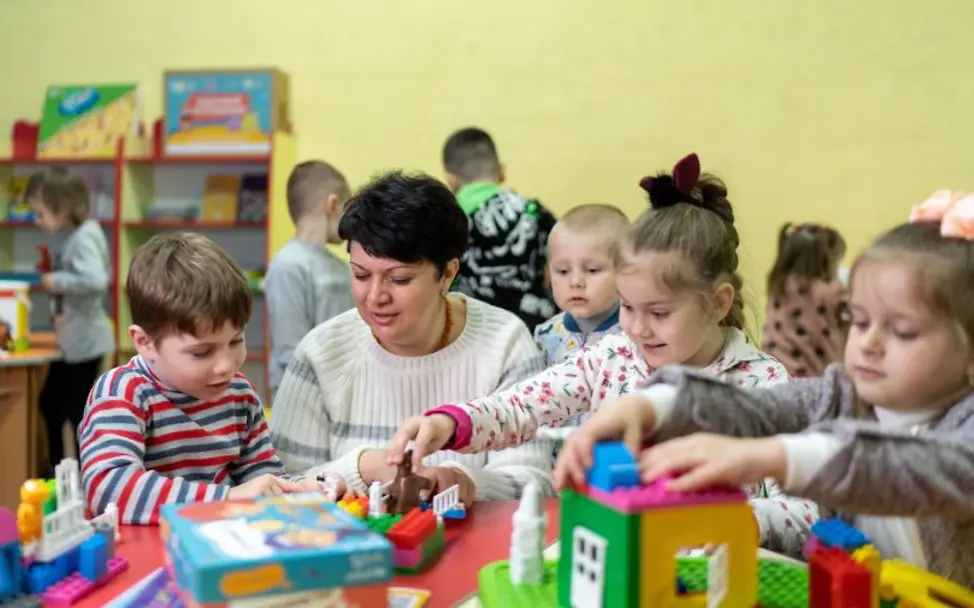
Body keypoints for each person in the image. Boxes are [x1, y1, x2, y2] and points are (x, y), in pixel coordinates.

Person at [389, 154, 818, 555]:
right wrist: (449, 423)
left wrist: (722, 521)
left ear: (719, 302)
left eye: (660, 312)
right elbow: (519, 406)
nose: (637, 327)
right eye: (627, 307)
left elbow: (806, 512)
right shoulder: (612, 357)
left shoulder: (764, 386)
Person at [555, 190, 974, 587]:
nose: (868, 343)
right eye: (859, 321)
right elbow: (753, 408)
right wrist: (651, 406)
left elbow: (903, 466)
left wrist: (770, 456)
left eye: (901, 331)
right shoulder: (847, 396)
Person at [269, 171, 554, 507]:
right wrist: (362, 468)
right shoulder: (321, 354)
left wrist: (464, 483)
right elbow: (281, 487)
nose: (375, 296)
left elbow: (536, 483)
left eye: (399, 279)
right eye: (360, 275)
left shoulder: (505, 344)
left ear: (447, 273)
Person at [78, 233, 319, 524]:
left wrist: (303, 489)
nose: (226, 366)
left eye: (236, 341)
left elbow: (262, 481)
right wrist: (226, 498)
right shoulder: (123, 392)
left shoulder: (239, 395)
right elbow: (107, 489)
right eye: (202, 352)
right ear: (145, 342)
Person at [26, 167, 114, 474]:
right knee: (50, 404)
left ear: (61, 206)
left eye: (40, 213)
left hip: (85, 343)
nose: (38, 221)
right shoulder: (79, 234)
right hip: (74, 342)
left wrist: (56, 280)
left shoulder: (84, 236)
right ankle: (56, 469)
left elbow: (96, 279)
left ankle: (81, 476)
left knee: (76, 413)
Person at [442, 127, 558, 331]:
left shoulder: (448, 221)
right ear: (502, 171)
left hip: (475, 331)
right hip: (538, 326)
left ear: (451, 180)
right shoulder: (536, 213)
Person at [534, 203, 629, 428]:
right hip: (556, 456)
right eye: (563, 271)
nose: (575, 281)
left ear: (625, 270)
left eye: (592, 270)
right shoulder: (544, 336)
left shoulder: (636, 333)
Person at [265, 160, 355, 394]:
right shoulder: (287, 265)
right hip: (300, 394)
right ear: (333, 204)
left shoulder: (341, 266)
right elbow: (289, 349)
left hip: (342, 390)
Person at [762, 222, 849, 377]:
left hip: (774, 373)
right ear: (826, 260)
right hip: (816, 376)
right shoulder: (833, 291)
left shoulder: (778, 283)